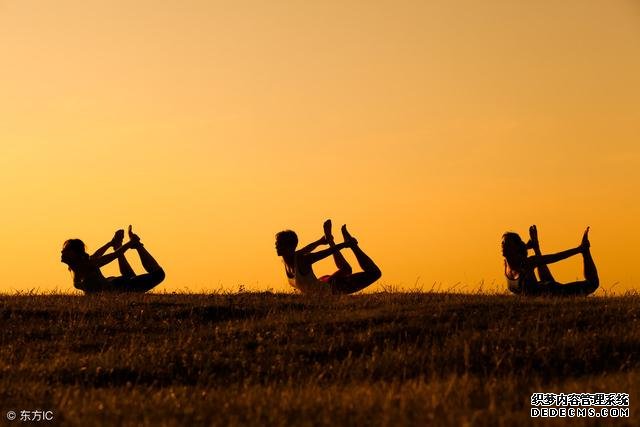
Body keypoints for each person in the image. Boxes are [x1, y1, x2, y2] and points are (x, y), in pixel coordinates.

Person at [275, 220, 382, 295]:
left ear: (290, 247)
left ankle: (352, 246)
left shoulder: (302, 260)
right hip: (324, 284)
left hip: (333, 289)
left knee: (375, 273)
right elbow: (306, 249)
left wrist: (344, 245)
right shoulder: (287, 259)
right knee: (347, 269)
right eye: (277, 243)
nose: (276, 246)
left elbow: (326, 252)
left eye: (279, 244)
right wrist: (320, 241)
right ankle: (347, 243)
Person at [61, 225, 165, 294]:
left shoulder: (87, 265)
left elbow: (115, 255)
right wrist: (110, 243)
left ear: (76, 254)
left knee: (159, 275)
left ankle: (138, 246)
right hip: (116, 284)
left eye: (66, 250)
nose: (62, 252)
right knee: (129, 277)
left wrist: (131, 243)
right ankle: (119, 244)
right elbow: (96, 255)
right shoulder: (72, 267)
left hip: (121, 287)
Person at [502, 225, 599, 296]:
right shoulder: (506, 263)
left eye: (506, 244)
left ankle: (585, 251)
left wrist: (579, 249)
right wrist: (530, 246)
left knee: (593, 284)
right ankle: (536, 248)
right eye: (502, 243)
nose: (502, 245)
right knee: (545, 280)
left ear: (515, 248)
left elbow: (556, 257)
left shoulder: (527, 263)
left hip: (554, 292)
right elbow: (519, 250)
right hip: (544, 287)